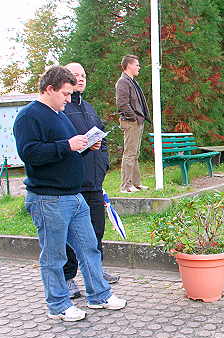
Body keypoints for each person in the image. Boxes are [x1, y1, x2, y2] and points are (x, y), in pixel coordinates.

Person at [14, 66, 126, 322]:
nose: (68, 98)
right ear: (49, 89)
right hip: (48, 198)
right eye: (65, 93)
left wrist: (86, 146)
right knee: (54, 255)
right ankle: (58, 305)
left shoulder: (60, 114)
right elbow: (30, 154)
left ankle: (99, 295)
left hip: (75, 196)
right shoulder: (29, 116)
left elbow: (67, 151)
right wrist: (67, 145)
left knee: (89, 248)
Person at [63, 62, 120, 300]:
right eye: (76, 75)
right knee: (70, 235)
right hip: (73, 184)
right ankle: (67, 278)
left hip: (95, 182)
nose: (81, 79)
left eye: (84, 75)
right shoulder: (62, 111)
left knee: (97, 231)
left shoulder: (89, 108)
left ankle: (96, 272)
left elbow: (102, 138)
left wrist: (103, 162)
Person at [115, 54, 150, 193]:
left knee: (135, 153)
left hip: (136, 121)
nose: (139, 67)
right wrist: (134, 118)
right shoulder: (123, 82)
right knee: (129, 154)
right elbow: (122, 104)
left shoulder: (131, 81)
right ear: (129, 65)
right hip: (131, 122)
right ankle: (126, 186)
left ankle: (136, 183)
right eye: (137, 64)